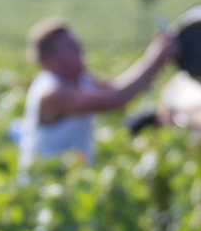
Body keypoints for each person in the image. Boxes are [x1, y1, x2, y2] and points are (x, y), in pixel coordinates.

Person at [18, 17, 179, 169]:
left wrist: (158, 62)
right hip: (46, 183)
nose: (80, 50)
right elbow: (117, 99)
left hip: (70, 179)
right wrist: (156, 56)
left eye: (77, 44)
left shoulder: (79, 79)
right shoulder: (53, 92)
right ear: (51, 60)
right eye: (71, 47)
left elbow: (118, 88)